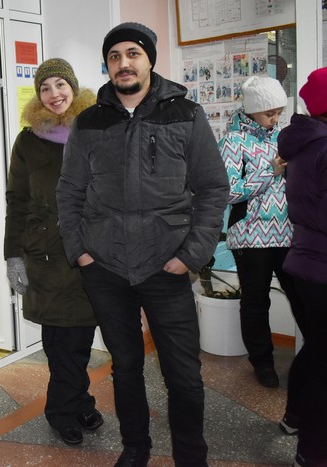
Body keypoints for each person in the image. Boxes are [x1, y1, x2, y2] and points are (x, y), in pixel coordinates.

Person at [56, 23, 229, 466]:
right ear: (107, 66)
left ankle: (191, 455)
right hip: (106, 268)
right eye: (114, 56)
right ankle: (136, 448)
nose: (124, 63)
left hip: (166, 266)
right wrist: (81, 252)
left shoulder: (186, 114)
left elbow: (213, 189)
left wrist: (191, 256)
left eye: (132, 53)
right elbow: (70, 192)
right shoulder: (89, 122)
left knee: (184, 375)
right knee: (126, 367)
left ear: (150, 59)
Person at [4, 58, 102, 446]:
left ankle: (74, 403)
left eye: (60, 85)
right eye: (45, 88)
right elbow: (16, 200)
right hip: (45, 253)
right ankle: (65, 410)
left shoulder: (93, 130)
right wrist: (13, 255)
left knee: (80, 337)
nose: (54, 94)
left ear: (73, 88)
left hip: (90, 252)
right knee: (59, 341)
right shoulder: (28, 140)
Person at [218, 76, 305, 389]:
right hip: (249, 235)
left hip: (287, 233)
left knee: (301, 296)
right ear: (253, 109)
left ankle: (313, 358)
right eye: (270, 113)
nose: (276, 118)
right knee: (256, 302)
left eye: (279, 112)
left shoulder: (283, 137)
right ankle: (262, 362)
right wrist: (271, 171)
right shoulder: (232, 141)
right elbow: (229, 192)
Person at [277, 66, 327, 467]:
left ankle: (295, 417)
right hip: (322, 267)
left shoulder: (306, 144)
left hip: (306, 263)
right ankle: (313, 452)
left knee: (316, 352)